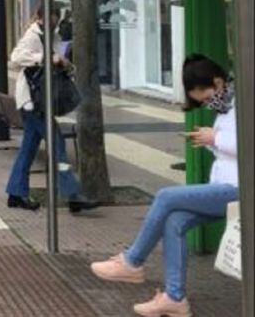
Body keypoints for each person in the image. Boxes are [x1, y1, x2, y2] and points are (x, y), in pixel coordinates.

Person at [90, 54, 237, 317]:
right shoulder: (226, 105)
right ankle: (174, 297)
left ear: (217, 83)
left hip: (238, 189)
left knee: (166, 196)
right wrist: (213, 140)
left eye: (204, 97)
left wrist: (215, 137)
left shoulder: (242, 103)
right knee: (174, 221)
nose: (206, 103)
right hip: (225, 187)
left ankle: (132, 262)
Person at [5, 3, 99, 213]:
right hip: (33, 102)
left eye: (56, 17)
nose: (54, 21)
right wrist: (45, 58)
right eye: (51, 17)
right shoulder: (33, 35)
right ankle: (73, 195)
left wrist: (64, 63)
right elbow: (16, 58)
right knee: (57, 146)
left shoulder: (51, 35)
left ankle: (16, 192)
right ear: (40, 17)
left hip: (39, 101)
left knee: (28, 150)